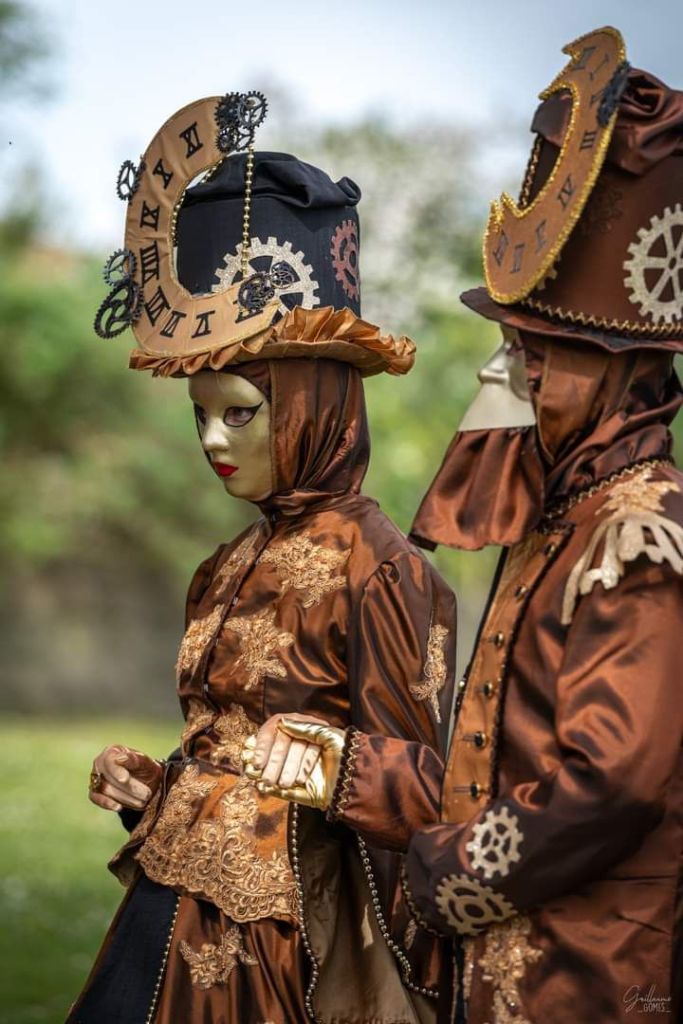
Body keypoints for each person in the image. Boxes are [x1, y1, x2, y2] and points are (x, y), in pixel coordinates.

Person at [248, 29, 683, 1024]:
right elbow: (503, 768)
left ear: (618, 369)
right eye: (513, 344)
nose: (506, 372)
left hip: (589, 981)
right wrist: (345, 766)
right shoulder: (566, 514)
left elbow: (609, 788)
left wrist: (446, 876)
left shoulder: (638, 536)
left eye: (538, 350)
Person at [67, 92, 456, 1024]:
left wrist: (334, 770)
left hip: (284, 955)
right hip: (166, 918)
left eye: (239, 411)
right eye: (199, 413)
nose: (212, 439)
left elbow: (432, 793)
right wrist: (155, 789)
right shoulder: (224, 564)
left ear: (313, 403)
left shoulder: (381, 569)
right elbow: (224, 752)